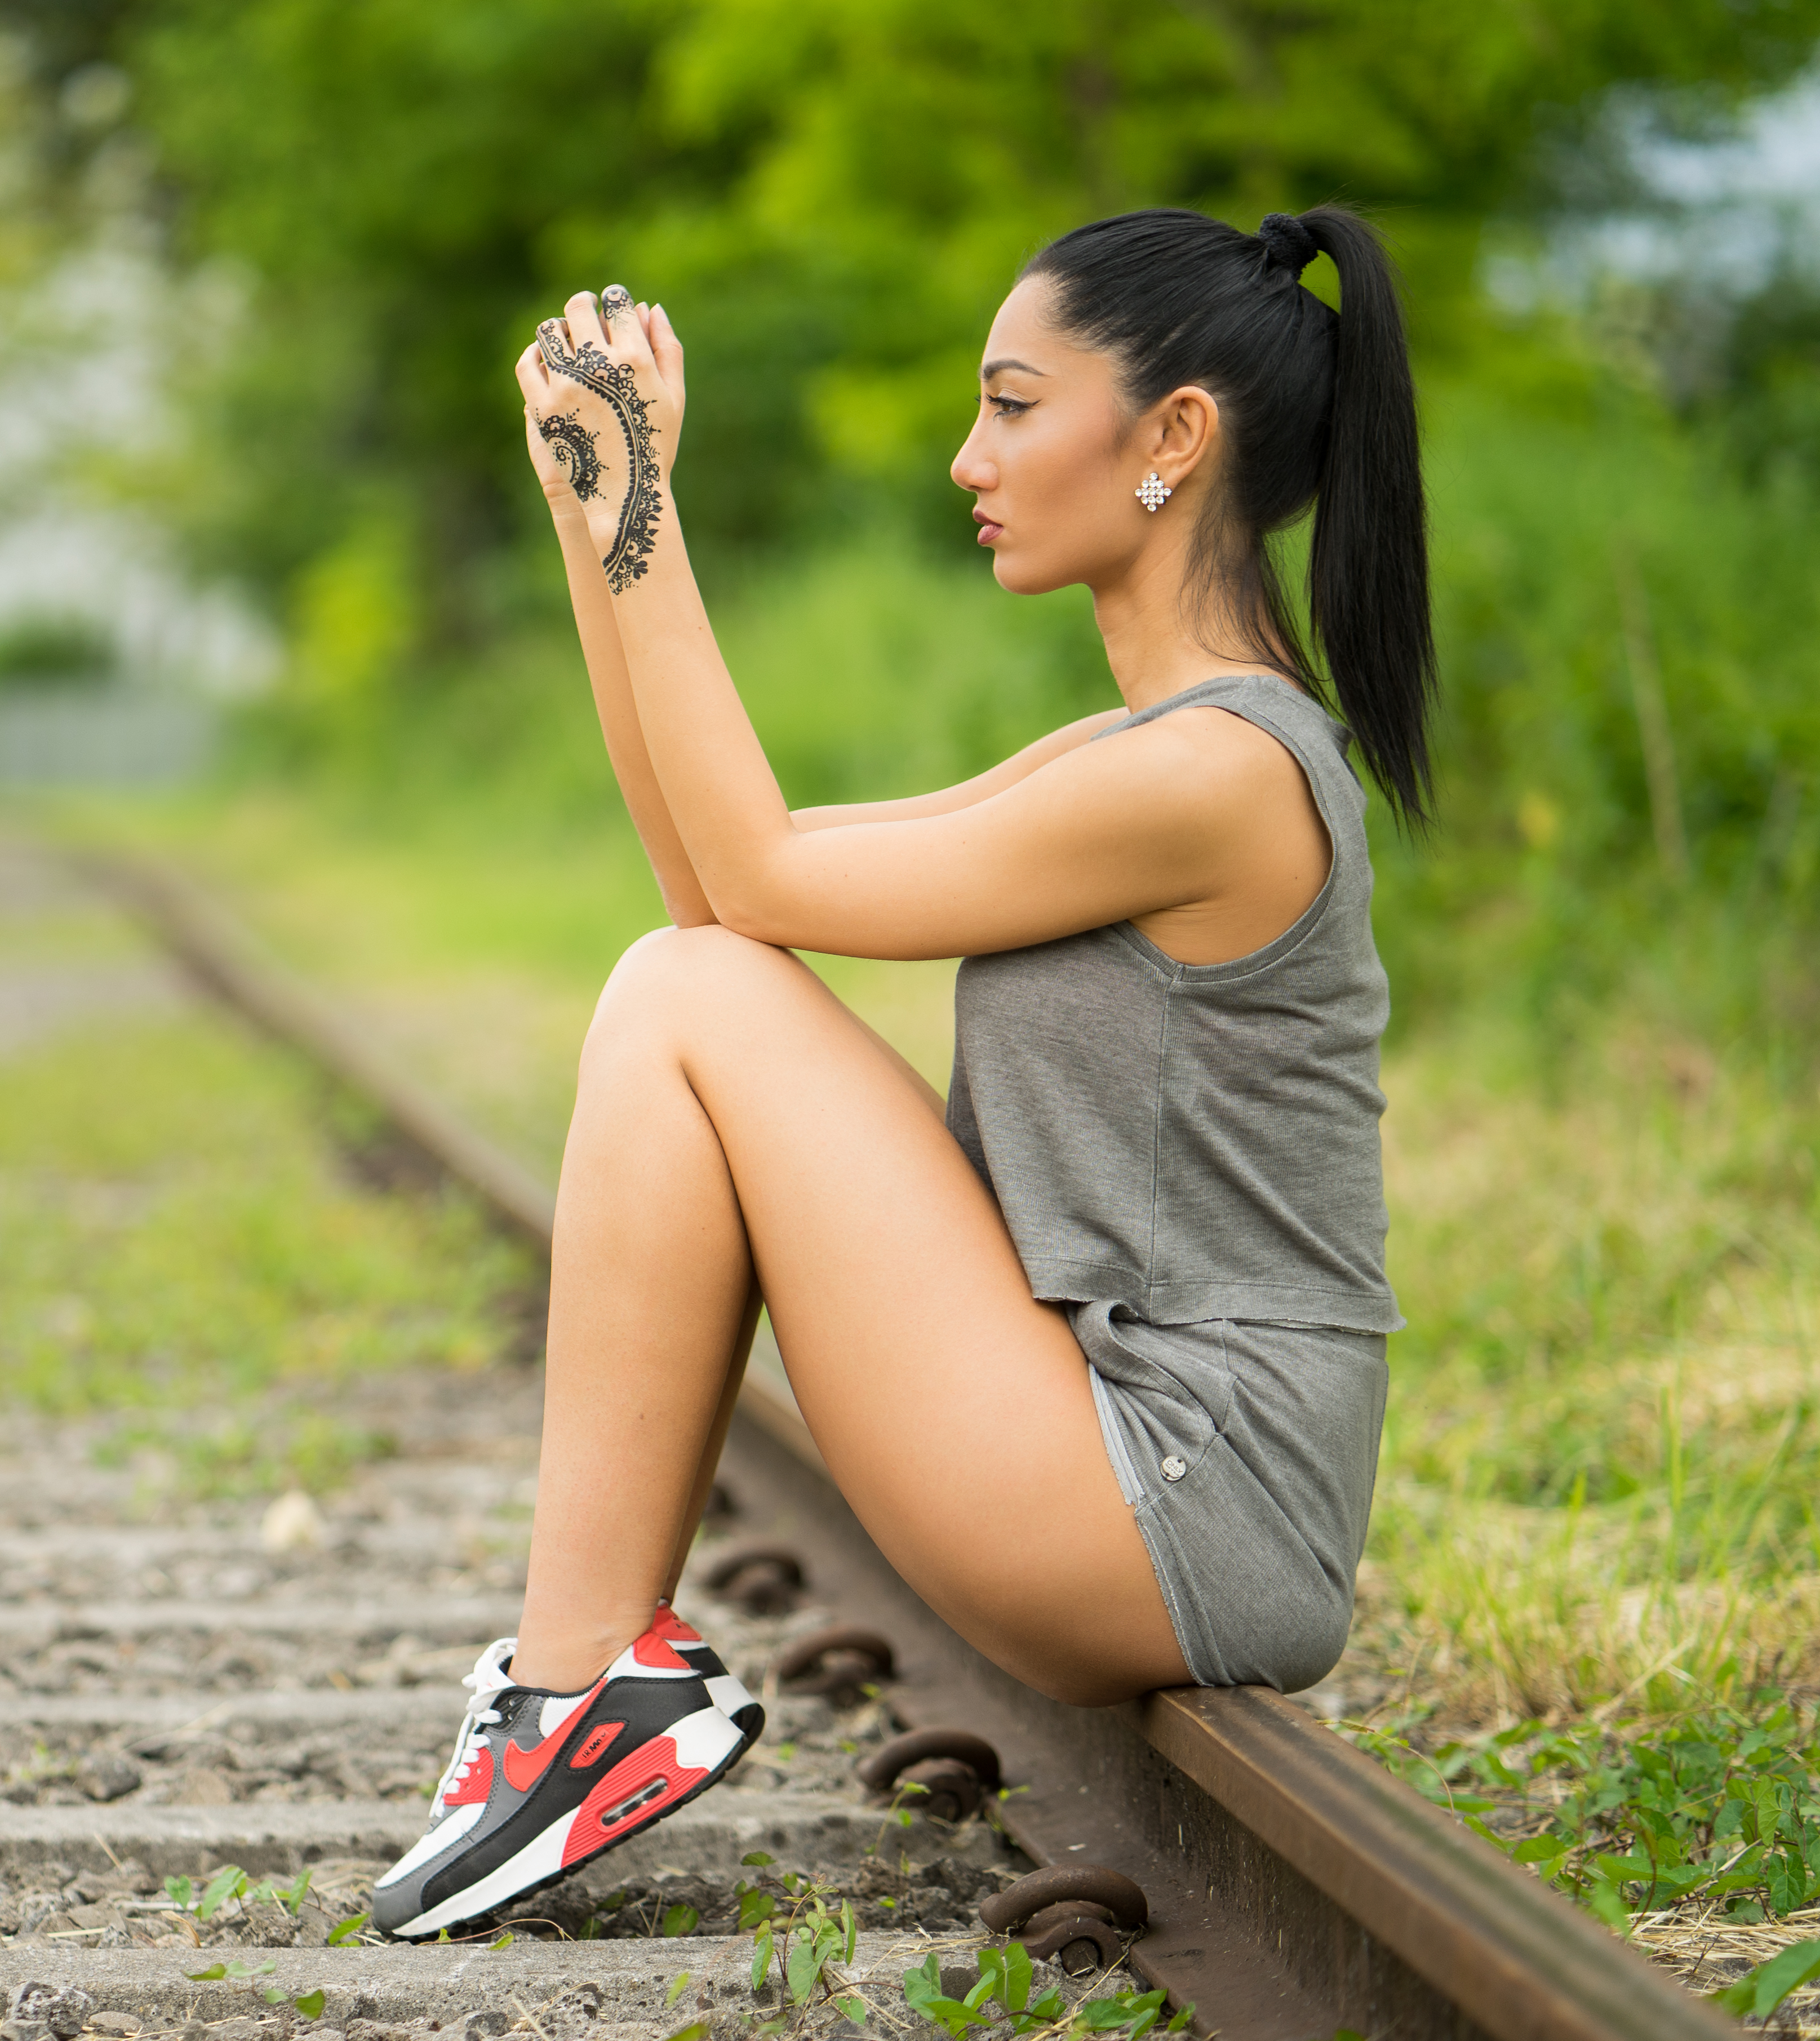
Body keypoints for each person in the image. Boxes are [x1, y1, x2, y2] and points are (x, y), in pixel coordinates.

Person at [367, 206, 1431, 1941]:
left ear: (1174, 437)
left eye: (1014, 405)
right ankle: (577, 1694)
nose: (969, 458)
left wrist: (649, 507)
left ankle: (576, 1693)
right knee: (683, 979)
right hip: (1129, 1459)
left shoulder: (1220, 776)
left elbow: (758, 891)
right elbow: (723, 886)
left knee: (685, 995)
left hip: (1183, 1495)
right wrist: (599, 515)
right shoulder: (1148, 753)